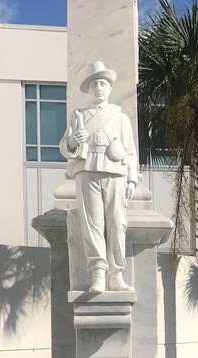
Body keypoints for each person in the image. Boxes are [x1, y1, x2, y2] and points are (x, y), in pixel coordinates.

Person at [60, 61, 138, 293]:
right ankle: (98, 273)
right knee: (92, 222)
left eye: (103, 83)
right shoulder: (79, 116)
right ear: (89, 89)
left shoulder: (120, 118)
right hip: (87, 168)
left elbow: (130, 150)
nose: (99, 88)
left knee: (117, 222)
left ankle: (116, 273)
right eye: (95, 84)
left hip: (114, 170)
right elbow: (64, 146)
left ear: (109, 88)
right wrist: (74, 140)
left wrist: (132, 179)